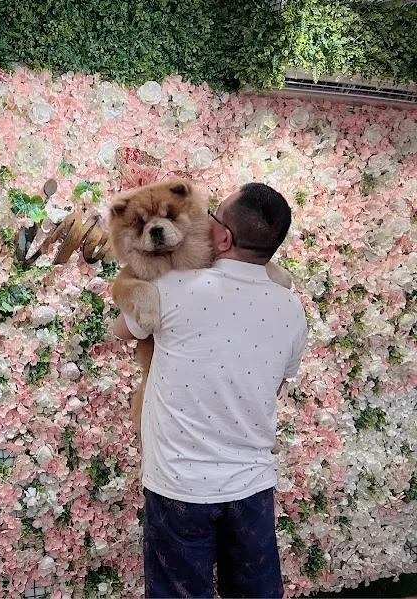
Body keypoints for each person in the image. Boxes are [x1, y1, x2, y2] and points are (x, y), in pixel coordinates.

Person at [113, 183, 308, 598]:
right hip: (250, 484)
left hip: (180, 484)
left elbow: (121, 330)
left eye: (212, 218)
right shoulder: (290, 306)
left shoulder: (170, 290)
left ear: (223, 236)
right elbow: (274, 384)